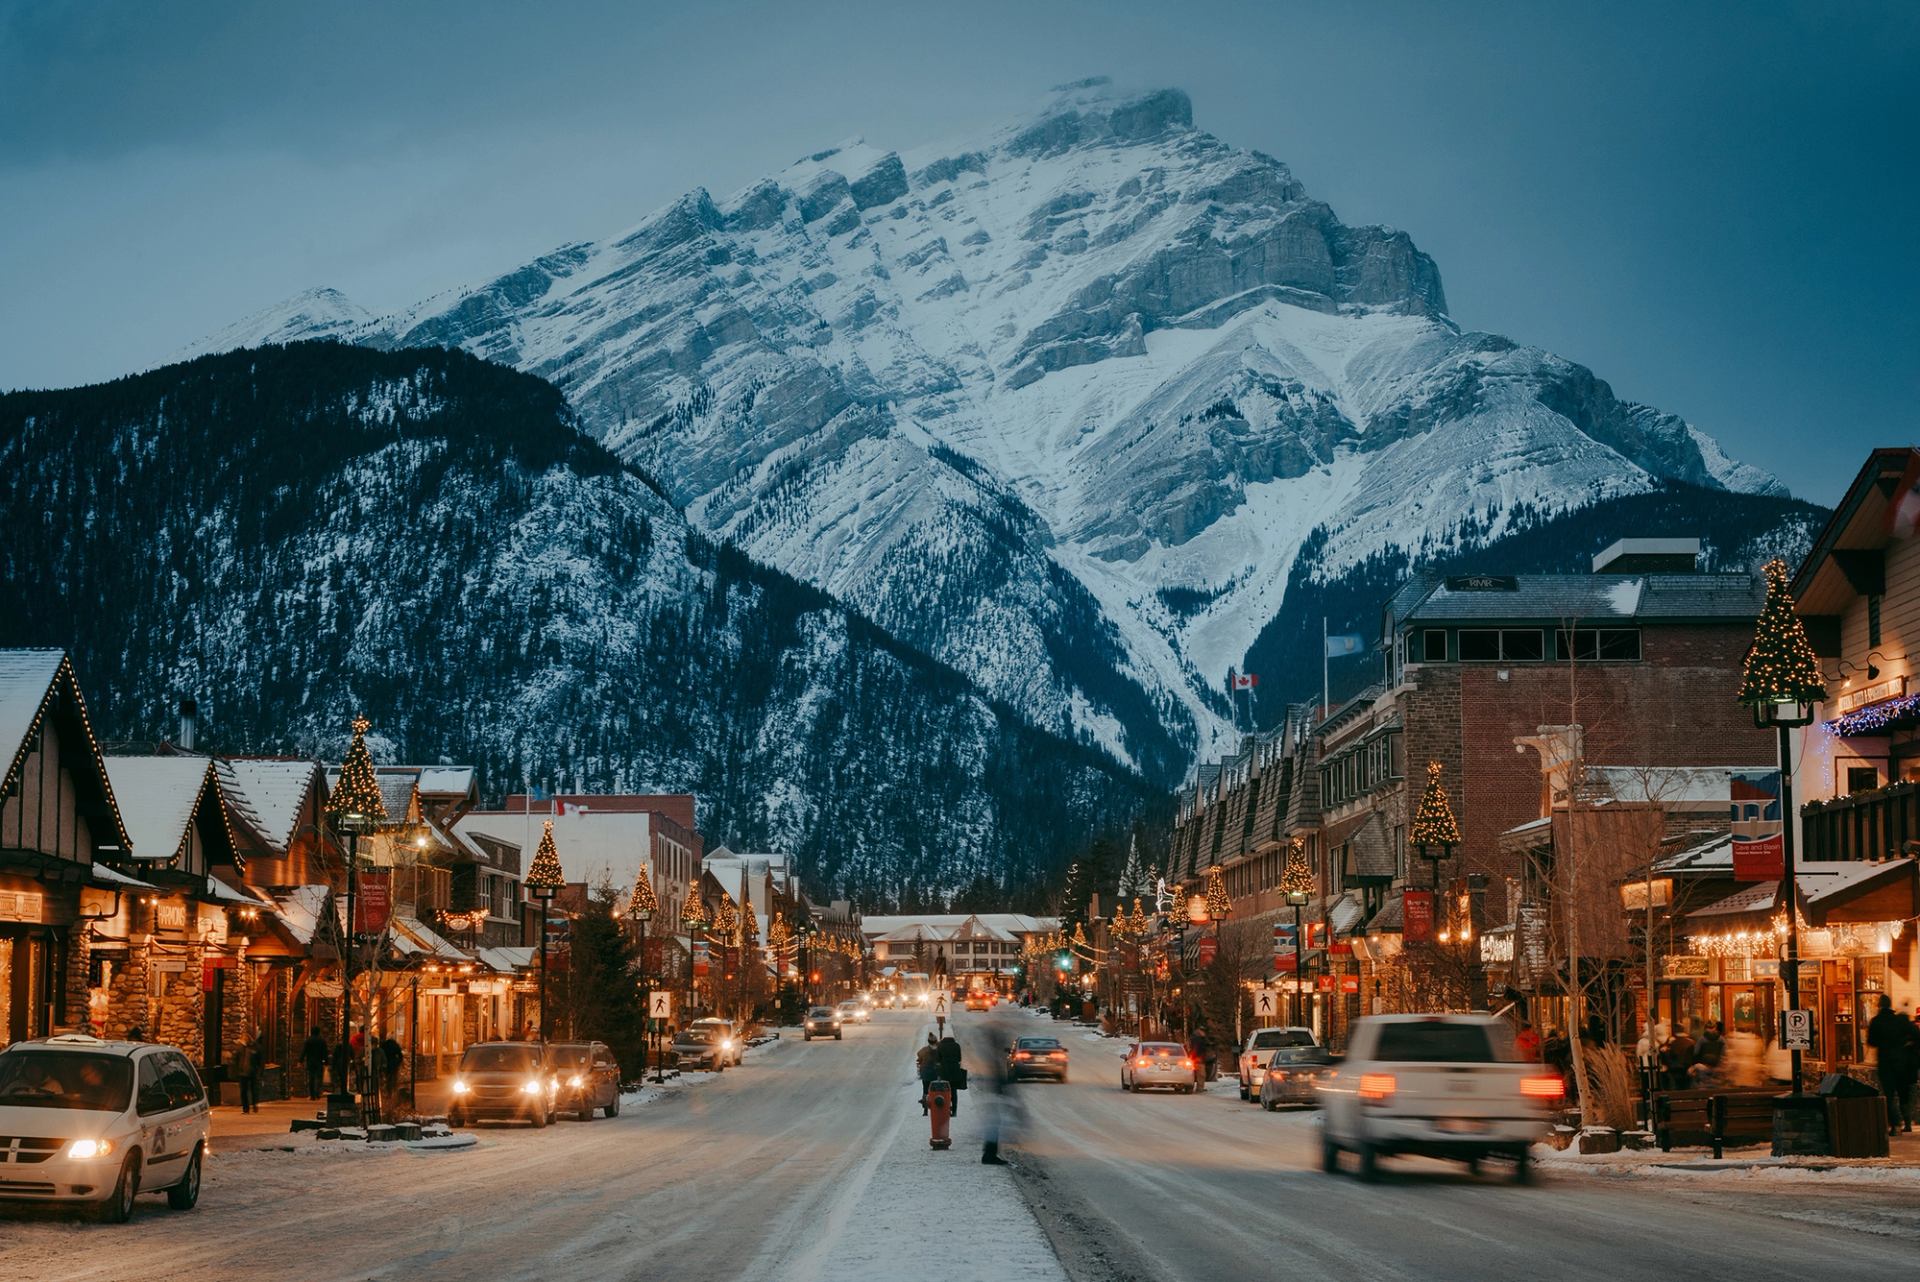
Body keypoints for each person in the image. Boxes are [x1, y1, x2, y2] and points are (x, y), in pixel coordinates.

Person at [1866, 994, 1917, 1134]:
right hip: (1902, 1062)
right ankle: (1907, 1122)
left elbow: (1871, 1041)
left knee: (1889, 1094)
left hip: (1885, 1062)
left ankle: (1895, 1125)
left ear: (1879, 1005)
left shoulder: (1876, 1021)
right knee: (1903, 1092)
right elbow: (1915, 1034)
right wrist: (1908, 1044)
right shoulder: (1898, 1021)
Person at [936, 1032, 965, 1116]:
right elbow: (959, 1058)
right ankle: (954, 1111)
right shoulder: (957, 1045)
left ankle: (946, 1109)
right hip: (955, 1071)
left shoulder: (940, 1046)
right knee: (954, 1090)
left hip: (944, 1071)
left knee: (945, 1091)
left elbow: (938, 1059)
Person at [1692, 1021, 1726, 1088]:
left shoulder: (1702, 1039)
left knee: (1702, 1084)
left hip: (1703, 1065)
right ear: (1714, 1028)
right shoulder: (1721, 1039)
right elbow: (1723, 1054)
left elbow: (1696, 1052)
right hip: (1716, 1065)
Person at [230, 1036, 258, 1113]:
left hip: (252, 1073)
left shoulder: (254, 1048)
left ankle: (254, 1104)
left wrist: (257, 1071)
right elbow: (236, 1059)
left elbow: (258, 1060)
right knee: (243, 1091)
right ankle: (246, 1108)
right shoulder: (240, 1048)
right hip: (242, 1073)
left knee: (253, 1090)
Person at [380, 1031, 405, 1113]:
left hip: (386, 1065)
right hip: (393, 1065)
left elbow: (381, 1053)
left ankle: (386, 1092)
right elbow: (400, 1055)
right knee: (392, 1079)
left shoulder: (384, 1045)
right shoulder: (395, 1045)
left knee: (386, 1078)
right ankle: (391, 1092)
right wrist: (398, 1062)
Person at [915, 1033, 940, 1115]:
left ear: (928, 1041)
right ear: (936, 1041)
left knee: (925, 1090)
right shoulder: (939, 1049)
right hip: (936, 1073)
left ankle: (925, 1110)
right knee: (936, 1091)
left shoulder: (925, 1049)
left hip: (925, 1073)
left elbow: (918, 1054)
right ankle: (936, 1108)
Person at [301, 1030, 329, 1099]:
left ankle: (312, 1095)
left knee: (311, 1077)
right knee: (319, 1077)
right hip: (319, 1061)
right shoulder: (322, 1041)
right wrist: (326, 1061)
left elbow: (304, 1051)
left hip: (310, 1061)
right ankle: (317, 1093)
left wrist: (300, 1060)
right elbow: (325, 1052)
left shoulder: (308, 1040)